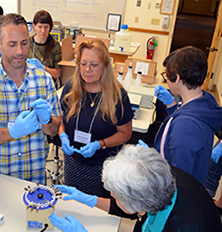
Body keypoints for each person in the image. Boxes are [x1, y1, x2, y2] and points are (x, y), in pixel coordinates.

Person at [0, 13, 62, 185]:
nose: (20, 51)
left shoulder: (44, 80)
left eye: (24, 43)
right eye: (12, 44)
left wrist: (47, 120)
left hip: (34, 176)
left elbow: (53, 130)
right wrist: (13, 132)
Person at [49, 145, 222, 232]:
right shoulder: (160, 178)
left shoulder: (186, 227)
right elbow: (131, 208)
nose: (111, 195)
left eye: (115, 195)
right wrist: (88, 199)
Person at [59, 39, 133, 197]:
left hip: (103, 166)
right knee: (74, 204)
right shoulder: (71, 87)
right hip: (73, 163)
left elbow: (125, 133)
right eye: (83, 64)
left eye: (94, 65)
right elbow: (62, 120)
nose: (87, 70)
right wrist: (62, 135)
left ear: (105, 66)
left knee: (97, 210)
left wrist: (100, 144)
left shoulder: (117, 96)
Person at [152, 46, 222, 185]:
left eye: (166, 75)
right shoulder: (205, 101)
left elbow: (178, 177)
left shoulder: (186, 126)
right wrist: (172, 106)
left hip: (177, 198)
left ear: (176, 78)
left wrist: (151, 160)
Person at [28, 10, 61, 83]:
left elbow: (57, 74)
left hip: (46, 83)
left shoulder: (55, 46)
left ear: (50, 27)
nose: (43, 31)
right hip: (29, 82)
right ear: (34, 26)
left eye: (46, 27)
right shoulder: (27, 42)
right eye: (40, 27)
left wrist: (43, 67)